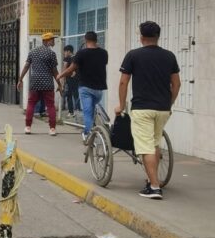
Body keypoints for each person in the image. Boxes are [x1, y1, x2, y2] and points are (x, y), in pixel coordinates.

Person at [115, 21, 180, 200]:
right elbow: (176, 83)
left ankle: (154, 187)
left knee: (145, 147)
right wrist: (170, 103)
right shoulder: (169, 56)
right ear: (158, 37)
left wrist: (121, 105)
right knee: (155, 143)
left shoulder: (133, 55)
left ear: (141, 37)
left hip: (142, 108)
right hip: (163, 109)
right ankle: (153, 178)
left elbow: (123, 82)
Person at [57, 32, 108, 141]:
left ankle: (87, 133)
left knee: (87, 112)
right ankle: (95, 127)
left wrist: (60, 75)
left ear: (85, 40)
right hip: (99, 89)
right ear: (96, 40)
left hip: (86, 88)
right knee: (92, 108)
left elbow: (71, 68)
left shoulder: (81, 53)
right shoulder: (104, 53)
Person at [18, 33, 62, 136]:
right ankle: (52, 129)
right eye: (52, 40)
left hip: (35, 82)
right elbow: (54, 71)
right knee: (50, 105)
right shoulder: (51, 54)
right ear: (47, 41)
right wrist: (59, 84)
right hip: (47, 83)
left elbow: (26, 66)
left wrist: (20, 79)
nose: (54, 41)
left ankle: (28, 127)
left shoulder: (32, 52)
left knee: (31, 104)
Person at [60, 45, 79, 118]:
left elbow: (64, 69)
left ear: (68, 51)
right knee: (76, 95)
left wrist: (62, 81)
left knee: (69, 96)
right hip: (76, 80)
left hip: (69, 80)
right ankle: (77, 110)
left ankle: (71, 112)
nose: (64, 53)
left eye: (65, 51)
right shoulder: (77, 57)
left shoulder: (67, 58)